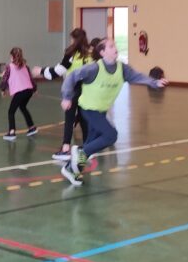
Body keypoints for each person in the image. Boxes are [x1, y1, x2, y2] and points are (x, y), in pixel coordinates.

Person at [58, 39, 168, 184]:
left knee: (91, 144)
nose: (115, 47)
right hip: (89, 110)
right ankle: (80, 152)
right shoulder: (94, 68)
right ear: (102, 52)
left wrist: (154, 82)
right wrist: (67, 97)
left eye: (114, 45)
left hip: (101, 111)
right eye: (111, 46)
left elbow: (137, 76)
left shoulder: (122, 69)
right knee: (110, 135)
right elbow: (72, 76)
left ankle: (71, 169)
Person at [35, 29, 93, 161]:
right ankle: (88, 149)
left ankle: (66, 149)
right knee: (83, 118)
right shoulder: (90, 53)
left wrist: (41, 71)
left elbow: (58, 71)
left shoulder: (71, 53)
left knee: (70, 119)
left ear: (74, 39)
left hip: (73, 89)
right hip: (87, 90)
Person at [0, 47, 38, 140]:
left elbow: (5, 78)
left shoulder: (9, 66)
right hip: (28, 91)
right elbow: (31, 78)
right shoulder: (25, 66)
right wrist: (34, 89)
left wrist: (3, 89)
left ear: (12, 56)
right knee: (22, 107)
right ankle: (31, 127)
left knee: (11, 111)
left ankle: (12, 132)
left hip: (20, 92)